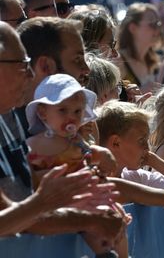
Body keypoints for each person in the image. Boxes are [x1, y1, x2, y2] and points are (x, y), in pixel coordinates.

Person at [0, 21, 124, 257]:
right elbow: (14, 214)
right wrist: (47, 204)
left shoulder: (8, 116)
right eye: (21, 65)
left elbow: (19, 206)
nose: (29, 72)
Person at [96, 100, 164, 250]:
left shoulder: (136, 177)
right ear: (116, 143)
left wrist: (153, 159)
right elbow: (115, 189)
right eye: (142, 141)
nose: (147, 147)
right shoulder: (93, 178)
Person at [25, 74, 116, 182]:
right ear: (42, 113)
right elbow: (28, 180)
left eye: (77, 111)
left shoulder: (76, 140)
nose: (72, 117)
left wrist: (102, 153)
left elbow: (88, 152)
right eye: (62, 110)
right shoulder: (33, 146)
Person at [117, 2, 161, 92]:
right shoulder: (119, 62)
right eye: (152, 24)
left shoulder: (155, 62)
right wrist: (141, 91)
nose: (157, 29)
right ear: (133, 28)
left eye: (158, 24)